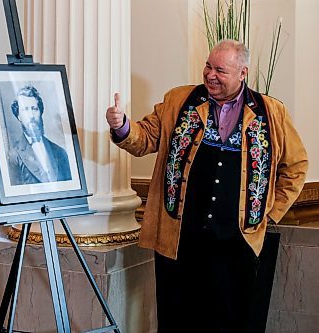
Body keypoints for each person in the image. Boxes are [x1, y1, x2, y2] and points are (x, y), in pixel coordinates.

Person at [106, 39, 308, 332]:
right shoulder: (178, 100)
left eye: (220, 70)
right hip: (179, 240)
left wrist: (270, 213)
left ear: (243, 73)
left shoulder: (271, 112)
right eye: (208, 66)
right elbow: (146, 137)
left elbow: (297, 166)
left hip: (238, 243)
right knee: (178, 321)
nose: (210, 75)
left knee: (230, 322)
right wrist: (122, 125)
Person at [7, 85, 72, 185]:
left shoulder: (60, 153)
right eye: (26, 109)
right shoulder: (13, 156)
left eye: (34, 109)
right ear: (19, 116)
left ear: (41, 112)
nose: (31, 115)